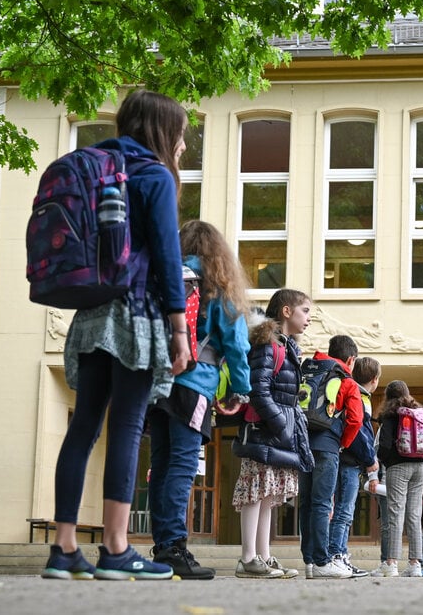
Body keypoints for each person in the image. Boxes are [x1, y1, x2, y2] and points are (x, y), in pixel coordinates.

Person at [42, 90, 192, 581]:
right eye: (182, 135)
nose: (184, 146)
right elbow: (169, 257)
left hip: (90, 311)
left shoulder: (97, 166)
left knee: (83, 426)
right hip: (137, 313)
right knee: (127, 426)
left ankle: (63, 548)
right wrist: (179, 327)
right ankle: (116, 547)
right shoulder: (152, 175)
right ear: (163, 132)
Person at [145, 220, 252, 579]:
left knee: (160, 465)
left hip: (156, 384)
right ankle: (175, 548)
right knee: (182, 464)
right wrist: (240, 388)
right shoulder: (218, 286)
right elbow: (236, 344)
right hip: (195, 385)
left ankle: (162, 546)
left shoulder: (164, 276)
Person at [232, 289, 315, 579]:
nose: (309, 319)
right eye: (305, 311)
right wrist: (281, 423)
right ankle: (247, 558)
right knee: (255, 494)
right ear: (286, 311)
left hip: (274, 430)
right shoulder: (268, 344)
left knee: (267, 496)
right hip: (263, 430)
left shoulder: (285, 345)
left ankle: (263, 557)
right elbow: (258, 388)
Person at [298, 334, 364, 579]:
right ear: (351, 359)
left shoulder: (311, 371)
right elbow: (355, 420)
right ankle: (323, 561)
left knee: (305, 503)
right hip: (327, 447)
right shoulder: (346, 380)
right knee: (322, 503)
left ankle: (309, 561)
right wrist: (341, 443)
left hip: (302, 444)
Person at [328, 356, 381, 577]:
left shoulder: (350, 389)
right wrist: (370, 459)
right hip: (350, 461)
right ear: (374, 379)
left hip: (341, 458)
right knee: (344, 512)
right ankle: (336, 556)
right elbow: (360, 433)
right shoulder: (361, 397)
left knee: (341, 511)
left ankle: (338, 555)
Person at [376, 380, 423, 578]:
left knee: (395, 514)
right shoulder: (418, 413)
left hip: (398, 468)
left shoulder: (390, 416)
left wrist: (385, 460)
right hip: (419, 466)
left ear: (388, 397)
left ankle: (391, 563)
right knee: (414, 516)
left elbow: (383, 446)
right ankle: (415, 564)